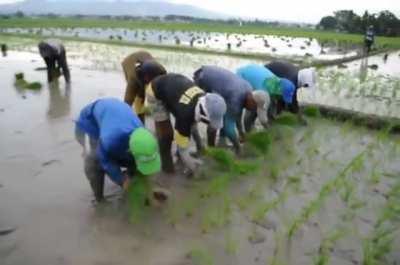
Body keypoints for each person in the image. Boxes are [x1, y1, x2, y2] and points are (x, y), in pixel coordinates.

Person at [75, 98, 161, 202]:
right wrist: (121, 179)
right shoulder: (110, 140)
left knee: (132, 161)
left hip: (116, 115)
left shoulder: (145, 138)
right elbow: (105, 160)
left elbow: (143, 159)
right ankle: (99, 200)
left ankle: (131, 183)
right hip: (92, 119)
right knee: (94, 162)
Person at [147, 74, 227, 174]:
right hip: (156, 91)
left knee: (190, 126)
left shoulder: (205, 99)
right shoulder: (185, 115)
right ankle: (167, 169)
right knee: (166, 136)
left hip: (174, 87)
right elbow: (182, 149)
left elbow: (193, 124)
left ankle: (185, 155)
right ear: (204, 113)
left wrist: (199, 146)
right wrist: (192, 167)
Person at [193, 65, 270, 153]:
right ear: (251, 101)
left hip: (208, 72)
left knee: (224, 114)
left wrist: (241, 133)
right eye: (254, 107)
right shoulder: (236, 98)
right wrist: (238, 147)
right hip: (203, 79)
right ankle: (211, 150)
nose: (253, 110)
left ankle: (221, 142)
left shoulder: (248, 88)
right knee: (212, 114)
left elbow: (237, 114)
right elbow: (229, 127)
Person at [236, 64, 295, 131]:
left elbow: (273, 103)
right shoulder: (263, 91)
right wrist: (269, 129)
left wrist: (272, 117)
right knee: (251, 111)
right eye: (282, 96)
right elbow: (262, 118)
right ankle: (248, 132)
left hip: (255, 70)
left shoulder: (275, 82)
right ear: (279, 92)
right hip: (242, 76)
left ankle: (254, 129)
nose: (281, 99)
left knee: (268, 104)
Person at [122, 51, 166, 123]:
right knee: (136, 97)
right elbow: (127, 101)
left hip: (145, 58)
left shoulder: (161, 70)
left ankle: (141, 116)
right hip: (129, 63)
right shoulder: (133, 78)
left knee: (154, 94)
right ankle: (138, 120)